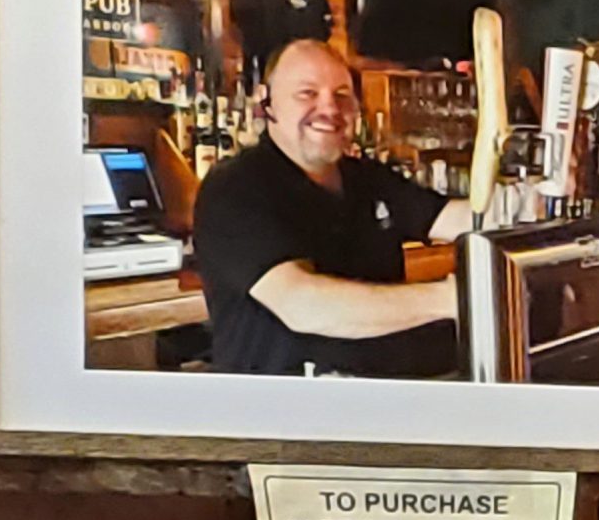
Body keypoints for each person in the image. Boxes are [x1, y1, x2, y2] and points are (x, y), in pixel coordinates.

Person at [191, 38, 471, 379]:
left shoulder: (366, 178)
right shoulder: (234, 187)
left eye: (342, 95)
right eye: (307, 93)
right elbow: (302, 305)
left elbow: (453, 218)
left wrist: (540, 198)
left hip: (376, 401)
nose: (330, 108)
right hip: (280, 415)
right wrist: (450, 299)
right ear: (266, 103)